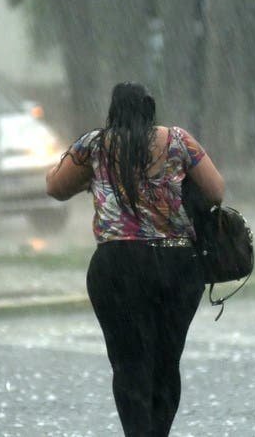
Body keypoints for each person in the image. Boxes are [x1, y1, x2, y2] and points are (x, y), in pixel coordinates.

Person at [46, 82, 225, 436]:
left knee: (129, 365)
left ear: (113, 112)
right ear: (150, 109)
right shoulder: (178, 140)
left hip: (117, 267)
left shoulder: (95, 145)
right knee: (165, 361)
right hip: (177, 266)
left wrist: (91, 175)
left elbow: (55, 187)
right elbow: (216, 190)